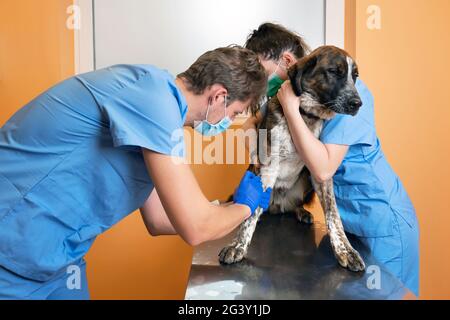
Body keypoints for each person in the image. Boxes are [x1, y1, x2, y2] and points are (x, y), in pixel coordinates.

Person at [0, 46, 272, 300]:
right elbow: (195, 227)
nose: (229, 121)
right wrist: (245, 207)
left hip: (57, 261)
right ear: (219, 96)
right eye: (235, 112)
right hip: (11, 252)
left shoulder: (157, 118)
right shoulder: (153, 98)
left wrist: (224, 208)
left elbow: (160, 219)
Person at [243, 23, 420, 296]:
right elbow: (255, 127)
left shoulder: (347, 99)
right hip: (344, 222)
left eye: (264, 76)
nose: (263, 86)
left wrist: (289, 108)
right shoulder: (305, 97)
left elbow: (323, 169)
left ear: (289, 64)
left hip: (380, 221)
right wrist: (256, 131)